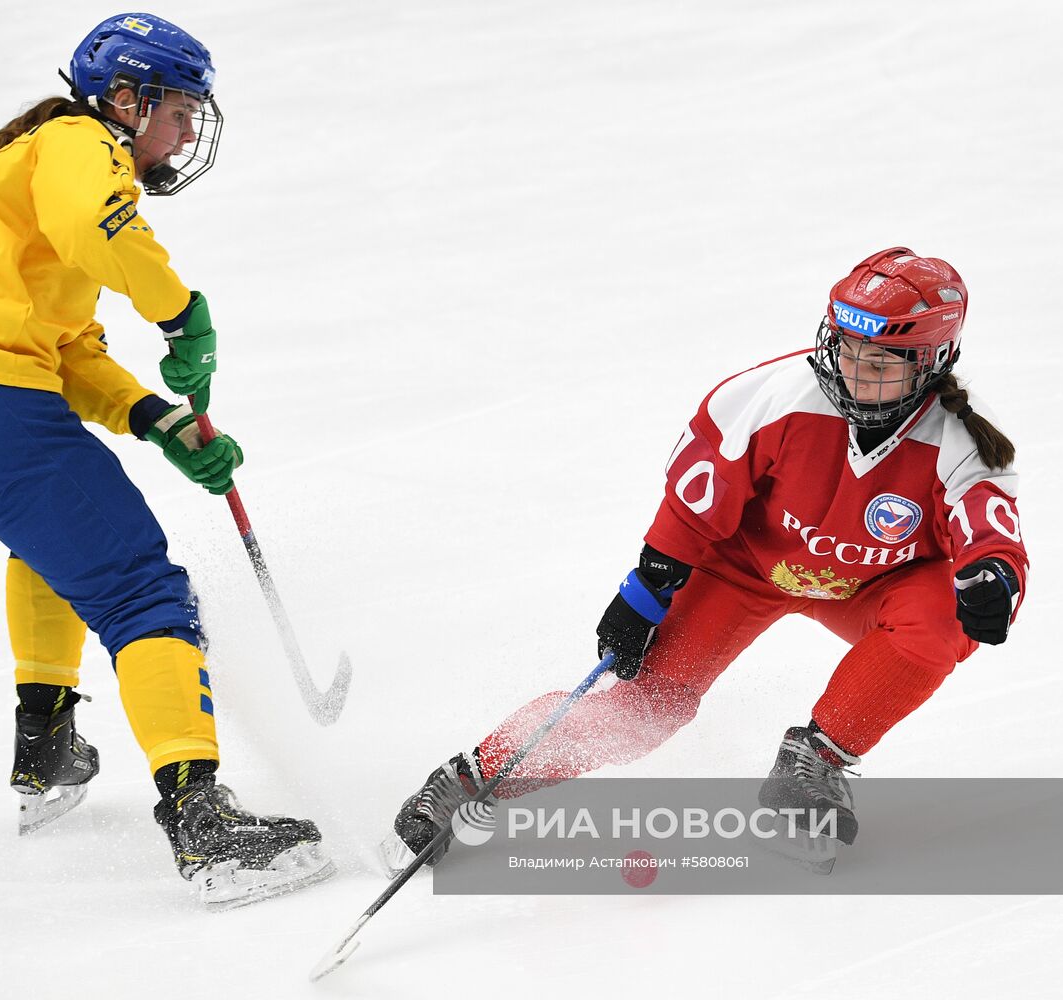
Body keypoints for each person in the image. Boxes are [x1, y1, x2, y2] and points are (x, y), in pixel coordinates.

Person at [0, 13, 333, 907]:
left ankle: (47, 744)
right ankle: (203, 825)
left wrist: (158, 422)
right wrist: (182, 314)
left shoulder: (10, 172)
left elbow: (66, 350)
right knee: (143, 592)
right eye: (181, 111)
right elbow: (95, 227)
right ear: (127, 100)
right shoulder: (78, 141)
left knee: (50, 543)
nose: (187, 133)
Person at [380, 246, 1029, 870]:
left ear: (933, 362)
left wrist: (993, 579)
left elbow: (991, 535)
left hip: (876, 584)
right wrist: (645, 591)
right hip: (743, 567)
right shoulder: (765, 398)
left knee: (945, 616)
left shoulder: (965, 441)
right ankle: (473, 778)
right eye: (846, 349)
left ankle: (812, 768)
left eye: (881, 362)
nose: (855, 372)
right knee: (644, 714)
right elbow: (694, 504)